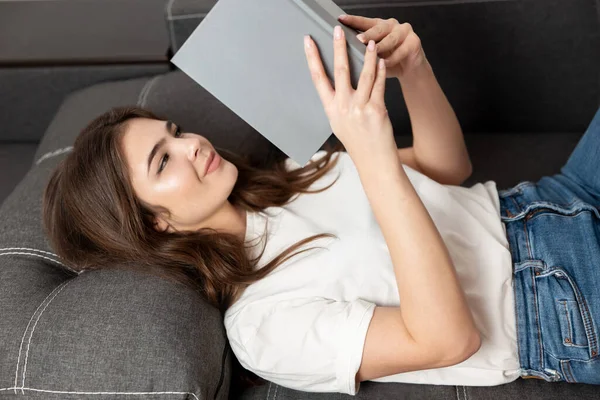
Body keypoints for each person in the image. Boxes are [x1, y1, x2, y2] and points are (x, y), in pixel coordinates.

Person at [41, 13, 600, 396]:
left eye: (175, 132)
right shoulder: (261, 327)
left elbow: (446, 168)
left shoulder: (289, 177)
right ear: (154, 224)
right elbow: (448, 339)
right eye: (163, 161)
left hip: (551, 200)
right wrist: (374, 157)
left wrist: (414, 71)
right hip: (556, 302)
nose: (192, 145)